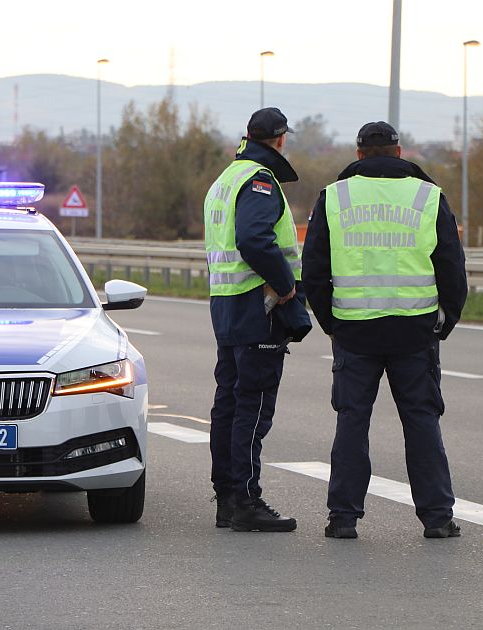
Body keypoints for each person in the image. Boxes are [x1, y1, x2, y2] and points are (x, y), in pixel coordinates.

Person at [302, 121, 468, 539]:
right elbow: (451, 264)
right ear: (399, 152)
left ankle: (342, 518)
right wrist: (444, 321)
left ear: (359, 155)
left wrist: (331, 322)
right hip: (414, 331)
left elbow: (315, 268)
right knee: (422, 422)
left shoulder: (334, 197)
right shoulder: (427, 196)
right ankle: (437, 518)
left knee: (352, 423)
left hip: (355, 332)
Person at [203, 107, 302, 532]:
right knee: (253, 406)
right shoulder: (260, 180)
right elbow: (253, 239)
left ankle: (227, 498)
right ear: (280, 140)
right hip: (256, 305)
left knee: (228, 403)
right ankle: (246, 498)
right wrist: (285, 285)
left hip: (226, 304)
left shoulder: (226, 178)